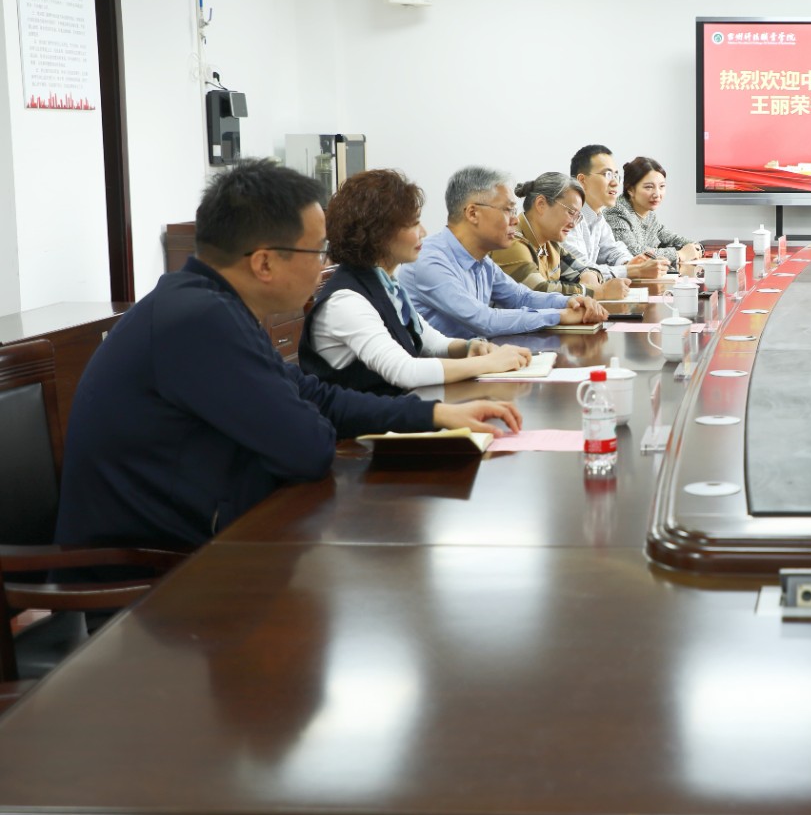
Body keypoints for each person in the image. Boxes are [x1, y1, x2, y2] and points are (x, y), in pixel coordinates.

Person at [54, 159, 522, 552]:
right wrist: (314, 417)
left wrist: (435, 415)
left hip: (206, 541)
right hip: (152, 575)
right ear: (264, 262)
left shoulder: (211, 303)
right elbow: (307, 449)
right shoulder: (197, 320)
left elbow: (314, 395)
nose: (325, 264)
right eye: (318, 251)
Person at [301, 169, 533, 394]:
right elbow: (404, 371)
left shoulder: (385, 284)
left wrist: (470, 347)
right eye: (413, 223)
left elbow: (430, 342)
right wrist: (488, 363)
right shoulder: (346, 301)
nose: (423, 232)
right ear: (378, 233)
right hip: (362, 420)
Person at [398, 166, 608, 338]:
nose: (515, 220)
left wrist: (570, 301)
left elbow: (521, 297)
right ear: (473, 213)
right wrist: (559, 315)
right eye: (508, 210)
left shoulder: (482, 261)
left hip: (476, 361)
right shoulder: (429, 260)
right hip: (441, 372)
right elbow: (484, 320)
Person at [492, 172, 629, 300]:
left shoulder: (550, 243)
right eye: (571, 212)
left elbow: (584, 269)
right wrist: (598, 292)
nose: (573, 224)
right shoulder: (511, 242)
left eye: (578, 217)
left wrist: (590, 275)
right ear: (541, 204)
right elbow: (539, 291)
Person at [563, 144, 669, 285]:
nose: (615, 183)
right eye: (607, 175)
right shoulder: (566, 218)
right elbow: (581, 271)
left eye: (616, 176)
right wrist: (632, 270)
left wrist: (629, 262)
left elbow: (613, 250)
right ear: (582, 181)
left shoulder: (597, 218)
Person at [603, 156, 701, 270]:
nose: (657, 194)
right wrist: (680, 254)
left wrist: (695, 247)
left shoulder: (648, 213)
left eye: (662, 186)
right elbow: (634, 253)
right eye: (649, 187)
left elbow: (670, 238)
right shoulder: (616, 212)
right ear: (630, 189)